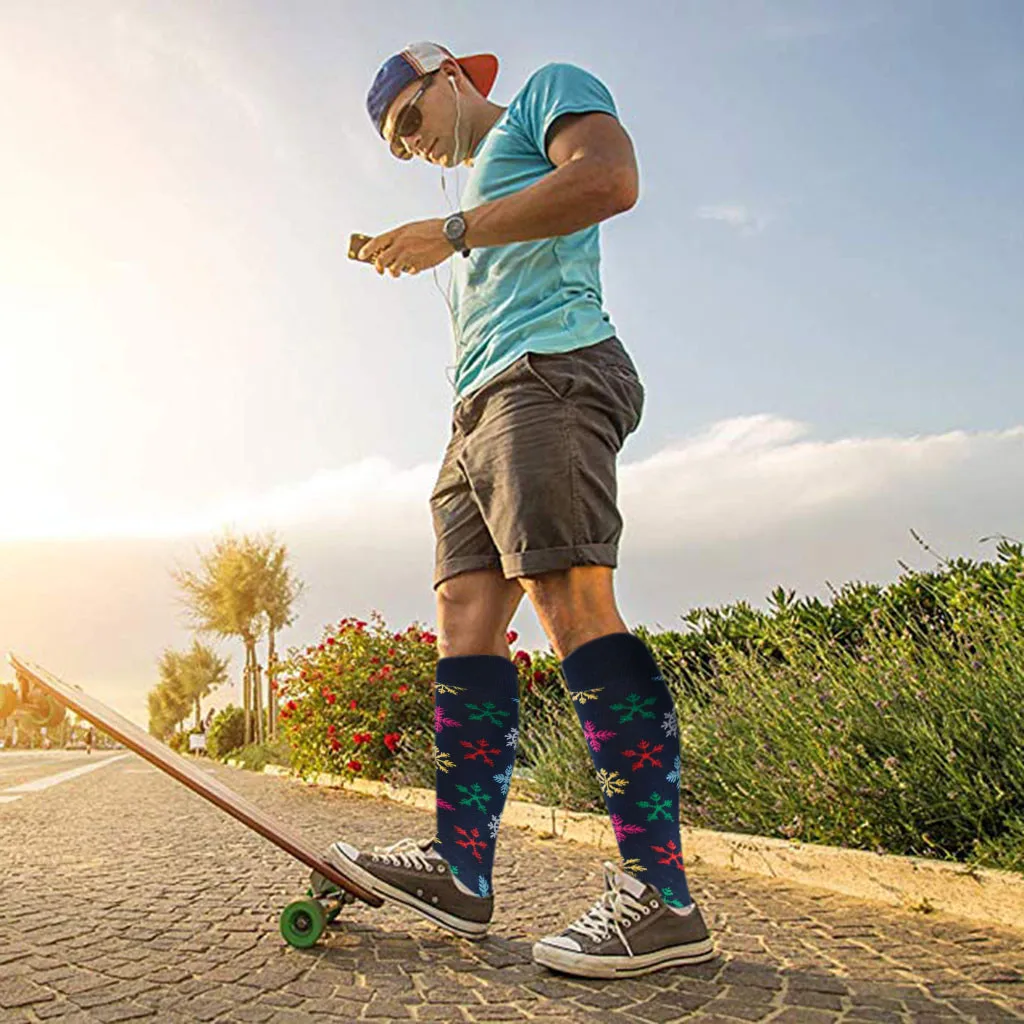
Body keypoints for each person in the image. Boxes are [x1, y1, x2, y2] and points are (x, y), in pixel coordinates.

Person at [328, 41, 714, 979]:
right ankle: (460, 870)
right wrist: (441, 236)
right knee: (464, 614)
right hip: (475, 406)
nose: (411, 146)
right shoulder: (469, 197)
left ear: (452, 77)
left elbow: (610, 180)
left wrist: (451, 233)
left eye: (411, 120)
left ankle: (662, 898)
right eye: (395, 145)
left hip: (550, 371)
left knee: (568, 595)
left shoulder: (549, 93)